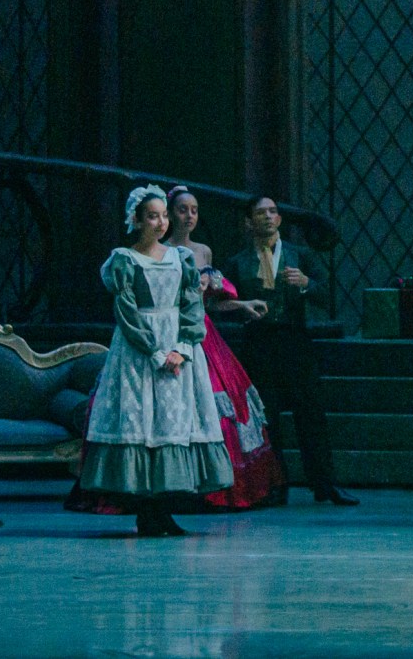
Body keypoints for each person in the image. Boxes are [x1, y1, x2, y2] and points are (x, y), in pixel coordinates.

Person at [71, 185, 233, 536]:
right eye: (152, 216)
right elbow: (127, 311)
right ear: (137, 220)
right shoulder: (124, 260)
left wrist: (182, 348)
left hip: (177, 346)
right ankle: (146, 511)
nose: (160, 223)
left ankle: (162, 510)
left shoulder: (181, 258)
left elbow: (191, 304)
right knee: (144, 426)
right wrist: (157, 352)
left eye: (163, 216)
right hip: (138, 352)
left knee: (172, 425)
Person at [223, 194, 353, 505]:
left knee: (310, 412)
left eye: (273, 211)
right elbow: (223, 303)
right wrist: (243, 307)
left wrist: (306, 283)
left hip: (295, 339)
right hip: (258, 341)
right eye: (261, 212)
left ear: (280, 219)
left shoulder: (299, 255)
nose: (268, 216)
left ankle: (324, 483)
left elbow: (328, 295)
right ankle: (275, 484)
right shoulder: (238, 262)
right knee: (266, 415)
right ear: (249, 222)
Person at [166, 185, 284, 511]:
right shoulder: (161, 251)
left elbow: (211, 305)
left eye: (194, 210)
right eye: (182, 210)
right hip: (172, 331)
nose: (189, 216)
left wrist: (243, 305)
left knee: (224, 406)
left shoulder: (203, 251)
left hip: (204, 335)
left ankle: (220, 485)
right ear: (169, 214)